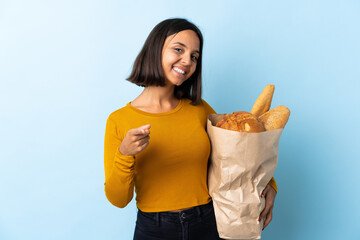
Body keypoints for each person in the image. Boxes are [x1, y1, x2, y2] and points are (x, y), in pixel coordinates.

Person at [104, 18, 277, 240]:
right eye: (178, 49)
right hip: (155, 229)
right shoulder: (120, 120)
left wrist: (269, 184)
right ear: (155, 49)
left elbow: (240, 153)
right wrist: (124, 154)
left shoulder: (200, 110)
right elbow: (118, 200)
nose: (187, 61)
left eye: (194, 56)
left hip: (207, 222)